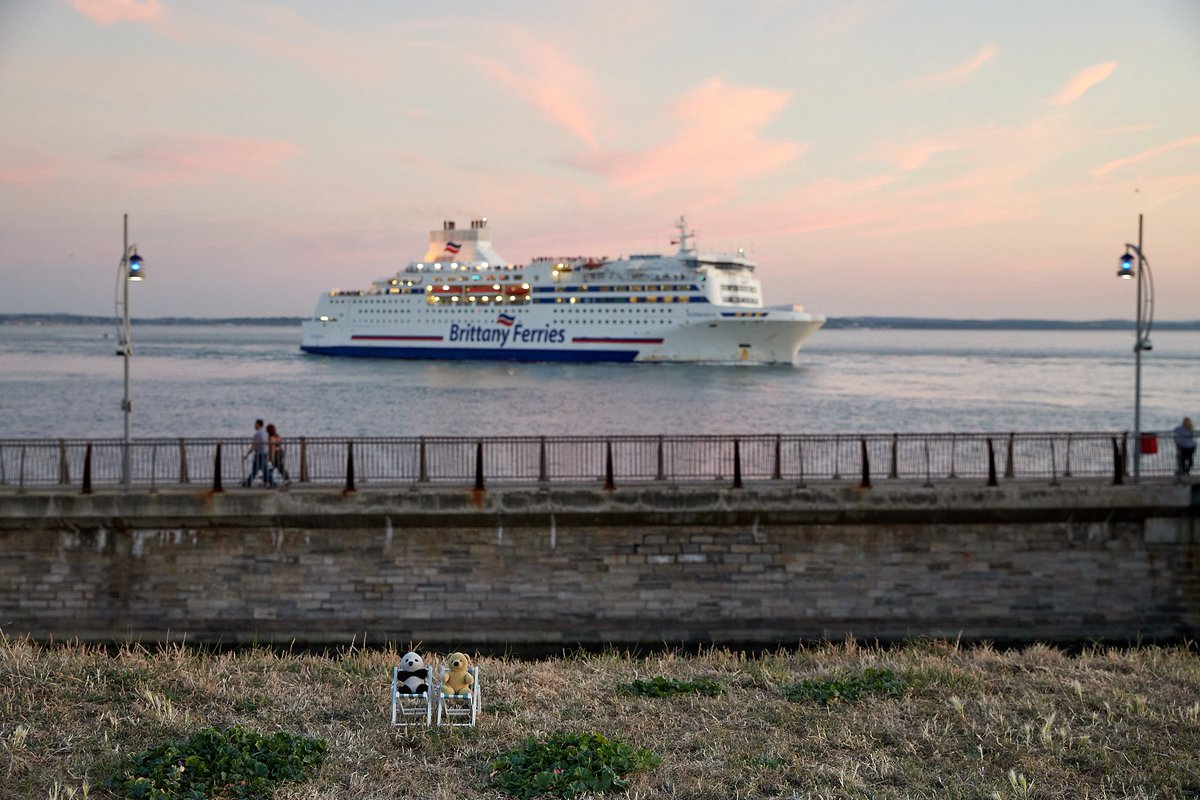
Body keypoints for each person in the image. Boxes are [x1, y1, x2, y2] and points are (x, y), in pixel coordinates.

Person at [243, 418, 274, 487]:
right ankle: (248, 482)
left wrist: (247, 454)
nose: (254, 426)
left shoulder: (257, 434)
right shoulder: (265, 433)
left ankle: (272, 483)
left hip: (259, 454)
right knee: (256, 470)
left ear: (258, 424)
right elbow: (269, 443)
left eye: (255, 424)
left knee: (263, 470)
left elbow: (254, 445)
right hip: (264, 453)